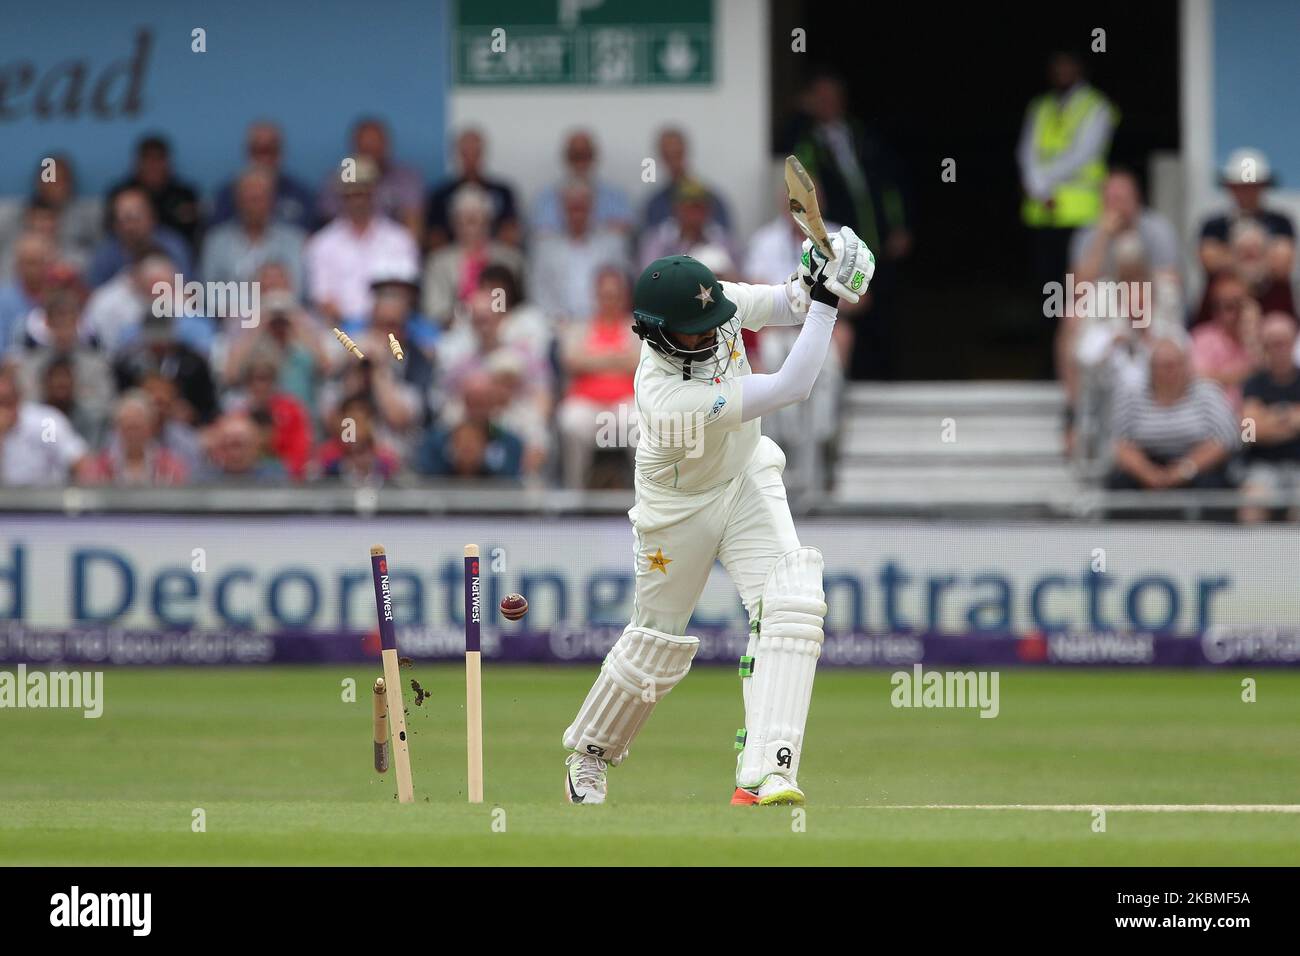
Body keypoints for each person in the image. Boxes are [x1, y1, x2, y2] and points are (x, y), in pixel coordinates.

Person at [560, 227, 875, 807]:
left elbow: (787, 302)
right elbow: (792, 385)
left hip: (746, 475)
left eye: (714, 318)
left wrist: (821, 263)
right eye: (694, 329)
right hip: (676, 511)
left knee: (794, 602)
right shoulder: (663, 396)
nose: (711, 332)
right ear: (657, 332)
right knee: (656, 643)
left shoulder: (715, 304)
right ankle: (589, 754)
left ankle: (767, 771)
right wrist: (832, 301)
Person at [1107, 336, 1239, 497]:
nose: (1171, 371)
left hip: (1197, 466)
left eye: (1176, 365)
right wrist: (1148, 473)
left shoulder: (1207, 391)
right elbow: (1119, 442)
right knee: (1119, 483)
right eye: (1163, 366)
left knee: (1213, 485)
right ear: (1151, 368)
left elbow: (1226, 440)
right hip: (1146, 464)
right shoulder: (1132, 394)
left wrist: (1184, 470)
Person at [304, 157, 419, 324]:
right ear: (342, 195)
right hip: (341, 329)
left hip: (392, 327)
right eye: (351, 193)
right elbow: (322, 299)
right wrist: (354, 327)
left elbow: (406, 292)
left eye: (362, 191)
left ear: (374, 191)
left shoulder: (400, 239)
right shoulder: (322, 243)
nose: (357, 200)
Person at [556, 266, 640, 489]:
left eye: (615, 296)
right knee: (571, 422)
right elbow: (571, 361)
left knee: (640, 423)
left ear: (624, 296)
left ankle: (642, 499)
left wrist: (593, 360)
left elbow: (640, 362)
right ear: (596, 296)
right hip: (586, 403)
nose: (610, 301)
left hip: (625, 403)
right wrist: (617, 360)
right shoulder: (579, 327)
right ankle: (574, 496)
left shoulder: (637, 326)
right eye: (605, 296)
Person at [199, 166, 307, 294]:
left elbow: (298, 290)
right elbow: (210, 291)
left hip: (280, 311)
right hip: (231, 312)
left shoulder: (295, 240)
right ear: (237, 201)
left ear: (272, 200)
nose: (254, 206)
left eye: (260, 198)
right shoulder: (216, 242)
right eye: (249, 199)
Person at [317, 117, 425, 240]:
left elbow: (413, 228)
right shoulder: (340, 176)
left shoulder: (406, 177)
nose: (371, 154)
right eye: (366, 149)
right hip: (347, 247)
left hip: (392, 247)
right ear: (355, 148)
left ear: (387, 145)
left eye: (376, 147)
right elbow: (328, 227)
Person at [1198, 148, 1295, 283]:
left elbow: (1282, 264)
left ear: (1263, 186)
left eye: (1252, 186)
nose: (1246, 192)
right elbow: (1209, 261)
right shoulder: (1214, 225)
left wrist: (1232, 256)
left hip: (1272, 302)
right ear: (1230, 187)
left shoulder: (1280, 223)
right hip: (1225, 302)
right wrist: (1257, 257)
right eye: (1241, 186)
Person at [1239, 313, 1300, 523]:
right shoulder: (1253, 383)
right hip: (1262, 466)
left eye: (1284, 343)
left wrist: (1268, 417)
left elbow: (1258, 426)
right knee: (1252, 504)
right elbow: (1248, 433)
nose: (1279, 349)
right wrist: (1290, 416)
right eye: (1273, 344)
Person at [209, 121, 317, 232]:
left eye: (270, 150)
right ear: (247, 152)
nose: (264, 158)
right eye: (258, 150)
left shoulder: (302, 196)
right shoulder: (226, 196)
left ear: (281, 151)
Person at [425, 128, 521, 251]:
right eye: (465, 153)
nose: (471, 158)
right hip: (453, 258)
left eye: (475, 152)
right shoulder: (441, 194)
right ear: (457, 154)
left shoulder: (503, 192)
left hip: (493, 255)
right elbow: (434, 237)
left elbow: (510, 232)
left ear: (483, 153)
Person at [106, 135, 202, 255]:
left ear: (152, 218)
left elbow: (181, 273)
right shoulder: (111, 253)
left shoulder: (173, 247)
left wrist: (172, 274)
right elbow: (99, 274)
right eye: (148, 159)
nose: (153, 165)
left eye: (158, 159)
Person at [0, 361, 89, 486]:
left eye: (7, 402)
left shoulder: (45, 422)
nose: (2, 411)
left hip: (47, 500)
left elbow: (77, 459)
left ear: (18, 398)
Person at [530, 131, 633, 235]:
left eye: (585, 156)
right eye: (575, 156)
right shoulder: (544, 199)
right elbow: (541, 235)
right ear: (566, 158)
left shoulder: (617, 196)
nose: (580, 163)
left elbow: (624, 233)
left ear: (594, 157)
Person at [87, 187, 192, 288]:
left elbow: (190, 291)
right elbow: (94, 294)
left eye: (135, 218)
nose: (130, 226)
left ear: (152, 217)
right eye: (123, 220)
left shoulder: (173, 246)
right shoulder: (106, 253)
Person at [82, 391, 189, 487]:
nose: (133, 434)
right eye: (128, 428)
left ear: (150, 428)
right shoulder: (99, 467)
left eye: (138, 427)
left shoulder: (171, 465)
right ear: (117, 429)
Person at [642, 127, 731, 231]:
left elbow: (724, 239)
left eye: (676, 154)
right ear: (661, 157)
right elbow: (647, 240)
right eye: (668, 155)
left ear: (685, 152)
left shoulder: (710, 199)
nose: (673, 161)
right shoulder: (654, 204)